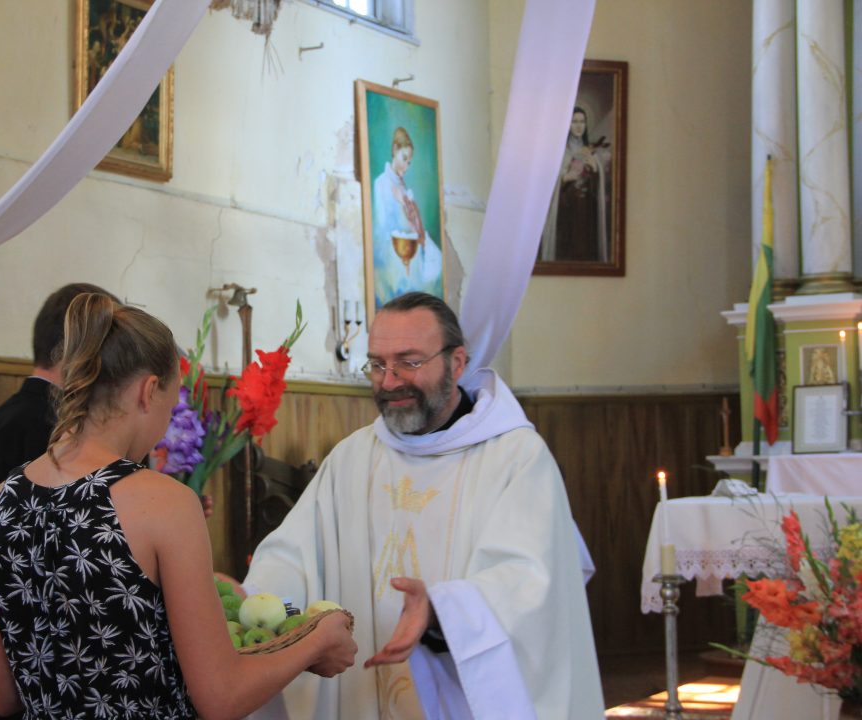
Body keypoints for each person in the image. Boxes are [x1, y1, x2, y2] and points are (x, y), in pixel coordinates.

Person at [0, 294, 358, 719]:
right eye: (172, 406)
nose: (164, 429)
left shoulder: (2, 499)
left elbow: (3, 696)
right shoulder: (164, 503)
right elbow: (222, 697)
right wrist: (317, 642)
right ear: (148, 391)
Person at [243, 292, 603, 719]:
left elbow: (531, 583)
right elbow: (295, 555)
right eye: (377, 364)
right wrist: (254, 600)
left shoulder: (516, 458)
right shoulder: (354, 456)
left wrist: (439, 611)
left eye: (409, 362)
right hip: (361, 695)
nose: (389, 381)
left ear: (456, 362)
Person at [0, 282, 118, 720]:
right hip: (34, 657)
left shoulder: (1, 420)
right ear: (81, 350)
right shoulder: (55, 432)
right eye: (113, 348)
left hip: (4, 641)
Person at [371, 127, 443, 309]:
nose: (406, 166)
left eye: (409, 162)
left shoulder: (404, 187)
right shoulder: (381, 183)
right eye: (404, 159)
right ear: (395, 149)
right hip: (394, 254)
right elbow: (381, 228)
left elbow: (416, 224)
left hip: (412, 250)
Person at [540, 106, 610, 263]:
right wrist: (565, 178)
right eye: (574, 122)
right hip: (566, 209)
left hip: (587, 211)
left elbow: (597, 185)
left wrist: (595, 169)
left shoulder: (590, 151)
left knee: (585, 248)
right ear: (568, 124)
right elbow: (547, 182)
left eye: (582, 122)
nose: (579, 126)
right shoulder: (560, 152)